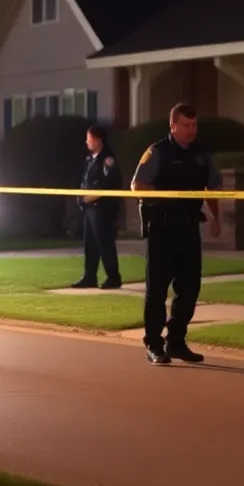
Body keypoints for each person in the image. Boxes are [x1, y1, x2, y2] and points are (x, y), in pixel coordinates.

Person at [130, 102, 223, 365]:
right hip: (162, 229)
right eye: (185, 125)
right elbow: (137, 185)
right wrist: (164, 197)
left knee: (190, 288)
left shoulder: (201, 154)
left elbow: (212, 187)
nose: (191, 130)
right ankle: (154, 344)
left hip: (189, 228)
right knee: (157, 290)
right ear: (173, 126)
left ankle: (176, 342)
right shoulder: (158, 151)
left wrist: (215, 217)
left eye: (194, 125)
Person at [71, 125, 123, 290]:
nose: (86, 142)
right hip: (89, 208)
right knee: (90, 243)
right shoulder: (90, 159)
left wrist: (93, 196)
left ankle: (113, 277)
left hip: (102, 208)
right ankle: (89, 276)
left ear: (98, 141)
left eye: (89, 138)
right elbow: (85, 181)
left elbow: (109, 182)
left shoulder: (107, 159)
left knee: (104, 242)